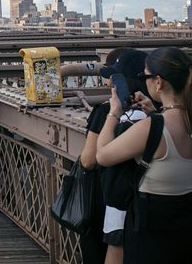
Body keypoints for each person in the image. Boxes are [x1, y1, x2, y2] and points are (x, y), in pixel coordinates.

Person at [96, 47, 192, 263]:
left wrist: (113, 113)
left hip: (152, 225)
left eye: (146, 76)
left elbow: (102, 155)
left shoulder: (152, 127)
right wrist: (156, 111)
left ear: (159, 82)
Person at [79, 48, 144, 264]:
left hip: (109, 197)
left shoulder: (105, 113)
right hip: (148, 202)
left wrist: (112, 114)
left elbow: (89, 160)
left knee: (110, 250)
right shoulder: (157, 113)